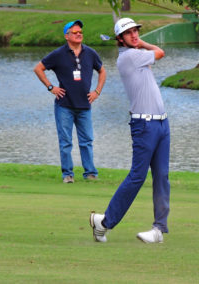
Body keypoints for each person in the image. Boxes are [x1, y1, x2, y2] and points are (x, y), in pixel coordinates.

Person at [90, 18, 170, 243]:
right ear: (120, 39)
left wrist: (136, 42)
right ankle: (104, 223)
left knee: (162, 176)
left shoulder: (136, 55)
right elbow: (160, 52)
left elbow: (156, 55)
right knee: (137, 176)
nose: (134, 35)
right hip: (144, 125)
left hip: (162, 123)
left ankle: (158, 229)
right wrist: (141, 43)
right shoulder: (129, 57)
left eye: (136, 31)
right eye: (129, 33)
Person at [34, 20, 106, 183]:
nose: (79, 34)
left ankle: (90, 173)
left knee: (87, 141)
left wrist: (97, 91)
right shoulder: (58, 54)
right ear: (67, 36)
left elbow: (102, 71)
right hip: (64, 106)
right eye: (75, 32)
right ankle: (68, 174)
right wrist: (51, 87)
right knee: (66, 142)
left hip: (84, 106)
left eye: (80, 32)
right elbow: (38, 68)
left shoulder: (90, 53)